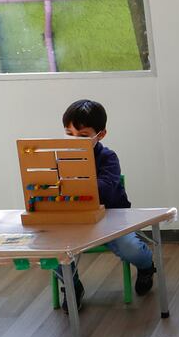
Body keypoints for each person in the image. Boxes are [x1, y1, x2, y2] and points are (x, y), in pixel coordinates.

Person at [58, 99, 156, 311]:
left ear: (100, 135)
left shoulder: (107, 157)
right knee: (51, 248)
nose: (74, 140)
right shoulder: (61, 158)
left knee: (129, 247)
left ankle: (146, 266)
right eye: (69, 134)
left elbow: (106, 188)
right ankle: (72, 285)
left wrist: (75, 184)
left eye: (82, 136)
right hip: (75, 220)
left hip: (111, 217)